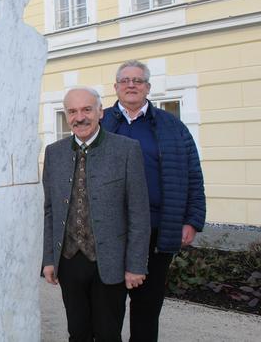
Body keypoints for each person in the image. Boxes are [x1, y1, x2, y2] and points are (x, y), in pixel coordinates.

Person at [101, 60, 206, 341]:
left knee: (147, 308)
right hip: (111, 232)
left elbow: (193, 174)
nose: (131, 85)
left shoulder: (173, 127)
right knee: (108, 308)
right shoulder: (101, 124)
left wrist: (193, 220)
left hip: (158, 229)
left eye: (138, 80)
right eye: (125, 80)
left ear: (148, 87)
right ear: (116, 87)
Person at [42, 87, 150, 341]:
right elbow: (50, 211)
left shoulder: (126, 150)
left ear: (101, 112)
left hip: (110, 262)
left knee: (108, 334)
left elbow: (139, 213)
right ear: (67, 116)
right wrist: (48, 258)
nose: (80, 117)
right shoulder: (53, 153)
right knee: (77, 332)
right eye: (73, 111)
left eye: (87, 109)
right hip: (69, 261)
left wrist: (135, 265)